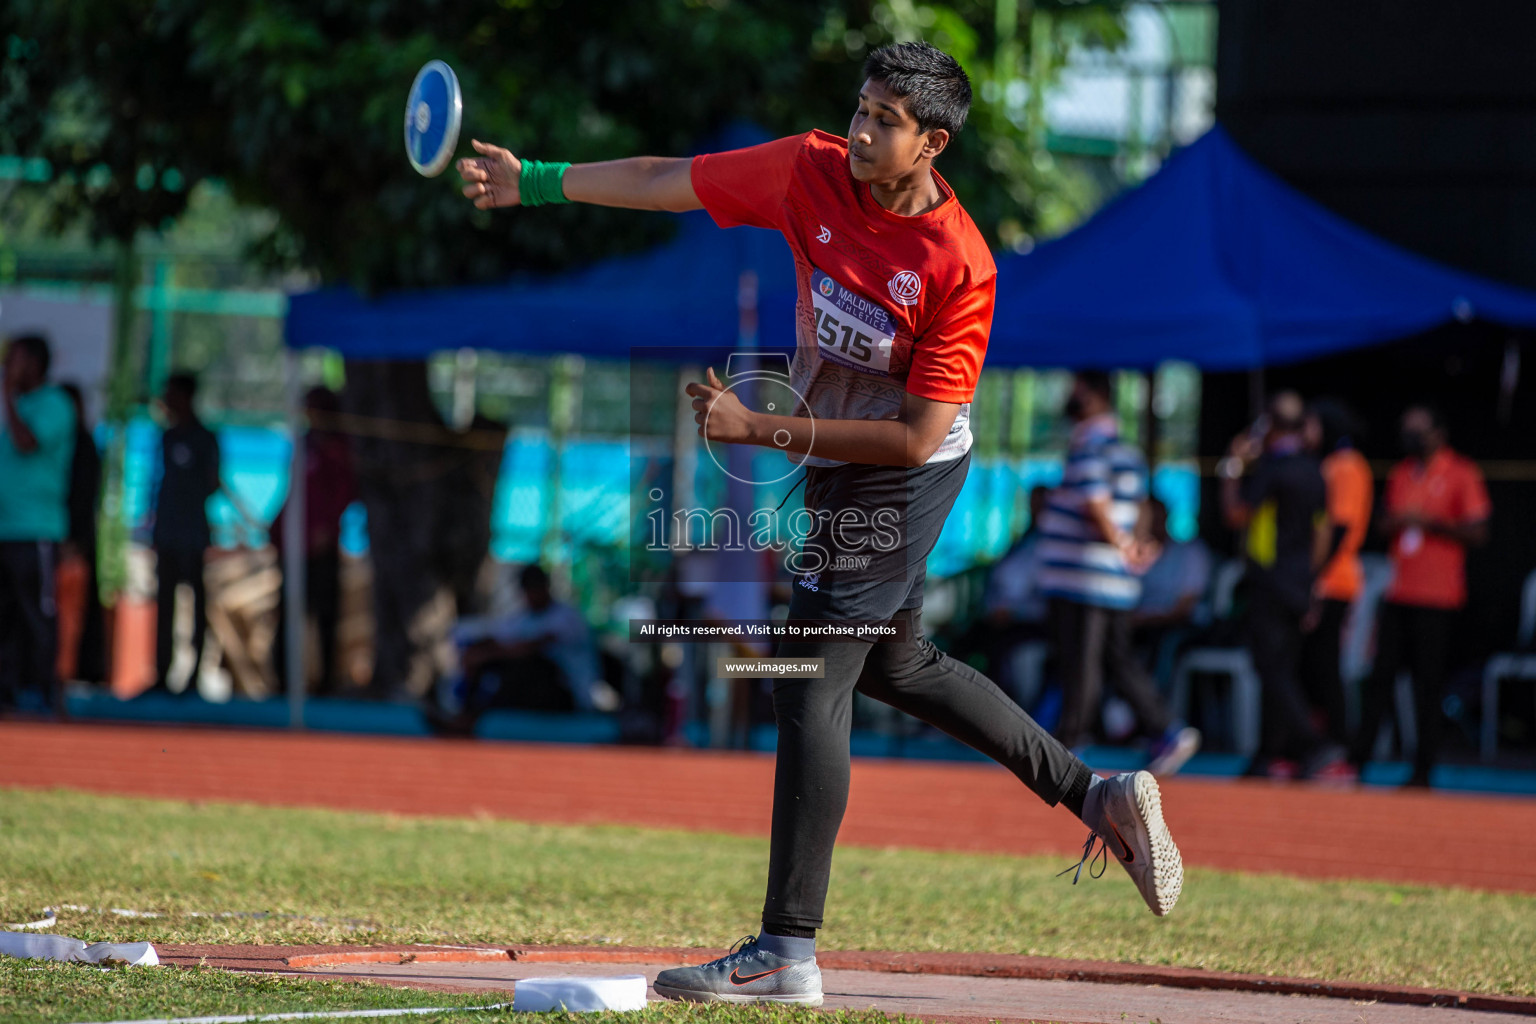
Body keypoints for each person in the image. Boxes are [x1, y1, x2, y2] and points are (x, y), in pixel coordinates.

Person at [459, 43, 1187, 1006]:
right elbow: (666, 180)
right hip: (840, 461)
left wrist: (760, 428)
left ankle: (783, 949)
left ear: (932, 144)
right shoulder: (808, 168)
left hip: (907, 471)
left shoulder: (959, 263)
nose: (860, 130)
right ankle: (1096, 793)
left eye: (886, 119)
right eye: (860, 107)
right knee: (895, 665)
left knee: (804, 674)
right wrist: (537, 182)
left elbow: (918, 432)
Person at [1037, 371, 1201, 775]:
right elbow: (1140, 506)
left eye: (1074, 389)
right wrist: (1138, 545)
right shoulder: (1126, 450)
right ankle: (1166, 729)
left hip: (1083, 576)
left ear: (1092, 395)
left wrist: (1124, 545)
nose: (1067, 397)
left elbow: (1096, 502)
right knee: (1114, 658)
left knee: (1082, 661)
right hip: (1114, 577)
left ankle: (1069, 746)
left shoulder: (1088, 443)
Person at [1350, 406, 1489, 787]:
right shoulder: (1400, 473)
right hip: (1399, 589)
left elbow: (1478, 533)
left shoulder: (1462, 472)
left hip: (1438, 595)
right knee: (1380, 678)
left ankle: (1423, 768)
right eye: (1406, 429)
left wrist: (1431, 524)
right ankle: (1357, 761)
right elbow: (1381, 523)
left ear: (1439, 433)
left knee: (1428, 683)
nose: (1411, 437)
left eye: (1419, 430)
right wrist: (1399, 522)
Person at [1220, 391, 1344, 778]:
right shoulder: (1314, 471)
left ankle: (1313, 745)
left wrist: (1231, 467)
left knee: (1272, 670)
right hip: (1298, 583)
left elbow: (1236, 516)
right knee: (1282, 669)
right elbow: (1322, 533)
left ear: (1270, 427)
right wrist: (1311, 581)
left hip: (1269, 583)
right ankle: (1270, 755)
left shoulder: (1273, 470)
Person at [0, 333, 76, 716]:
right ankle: (7, 691)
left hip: (37, 531)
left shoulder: (54, 405)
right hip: (4, 529)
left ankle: (47, 692)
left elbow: (27, 442)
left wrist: (8, 396)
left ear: (35, 364)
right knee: (5, 617)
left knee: (38, 615)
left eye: (15, 359)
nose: (7, 365)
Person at [428, 564, 598, 733]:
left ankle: (474, 719)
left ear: (546, 587)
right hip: (534, 692)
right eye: (528, 590)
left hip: (568, 694)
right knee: (492, 661)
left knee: (527, 666)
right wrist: (478, 653)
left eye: (536, 588)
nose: (532, 595)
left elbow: (529, 648)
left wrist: (488, 655)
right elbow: (497, 637)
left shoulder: (567, 617)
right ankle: (465, 715)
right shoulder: (523, 618)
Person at [274, 387, 356, 695]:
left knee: (325, 617)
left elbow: (346, 492)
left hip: (322, 548)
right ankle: (283, 680)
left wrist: (327, 526)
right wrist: (276, 529)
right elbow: (292, 490)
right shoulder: (303, 443)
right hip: (294, 546)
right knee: (289, 613)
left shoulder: (338, 448)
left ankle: (325, 683)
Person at [1301, 399, 1372, 747]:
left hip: (1336, 581)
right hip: (1320, 581)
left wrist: (1313, 577)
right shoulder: (1327, 463)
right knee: (1311, 667)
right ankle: (1315, 744)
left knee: (1327, 667)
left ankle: (1339, 746)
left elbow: (1340, 528)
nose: (1307, 433)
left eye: (1312, 425)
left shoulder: (1347, 466)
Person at [147, 372, 220, 697]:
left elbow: (212, 483)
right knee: (164, 604)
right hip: (167, 534)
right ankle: (161, 674)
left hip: (192, 535)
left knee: (197, 603)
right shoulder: (166, 437)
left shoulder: (205, 438)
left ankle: (193, 678)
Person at [1130, 498, 1212, 683]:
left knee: (1165, 643)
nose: (1152, 523)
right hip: (1143, 626)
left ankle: (1156, 703)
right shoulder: (1137, 555)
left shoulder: (1191, 552)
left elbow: (1184, 608)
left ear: (1166, 517)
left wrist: (1144, 619)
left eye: (1156, 517)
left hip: (1183, 627)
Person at [57, 382, 106, 685]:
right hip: (59, 536)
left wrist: (76, 540)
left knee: (72, 613)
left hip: (76, 542)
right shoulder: (62, 443)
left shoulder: (84, 445)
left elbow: (84, 497)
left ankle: (72, 673)